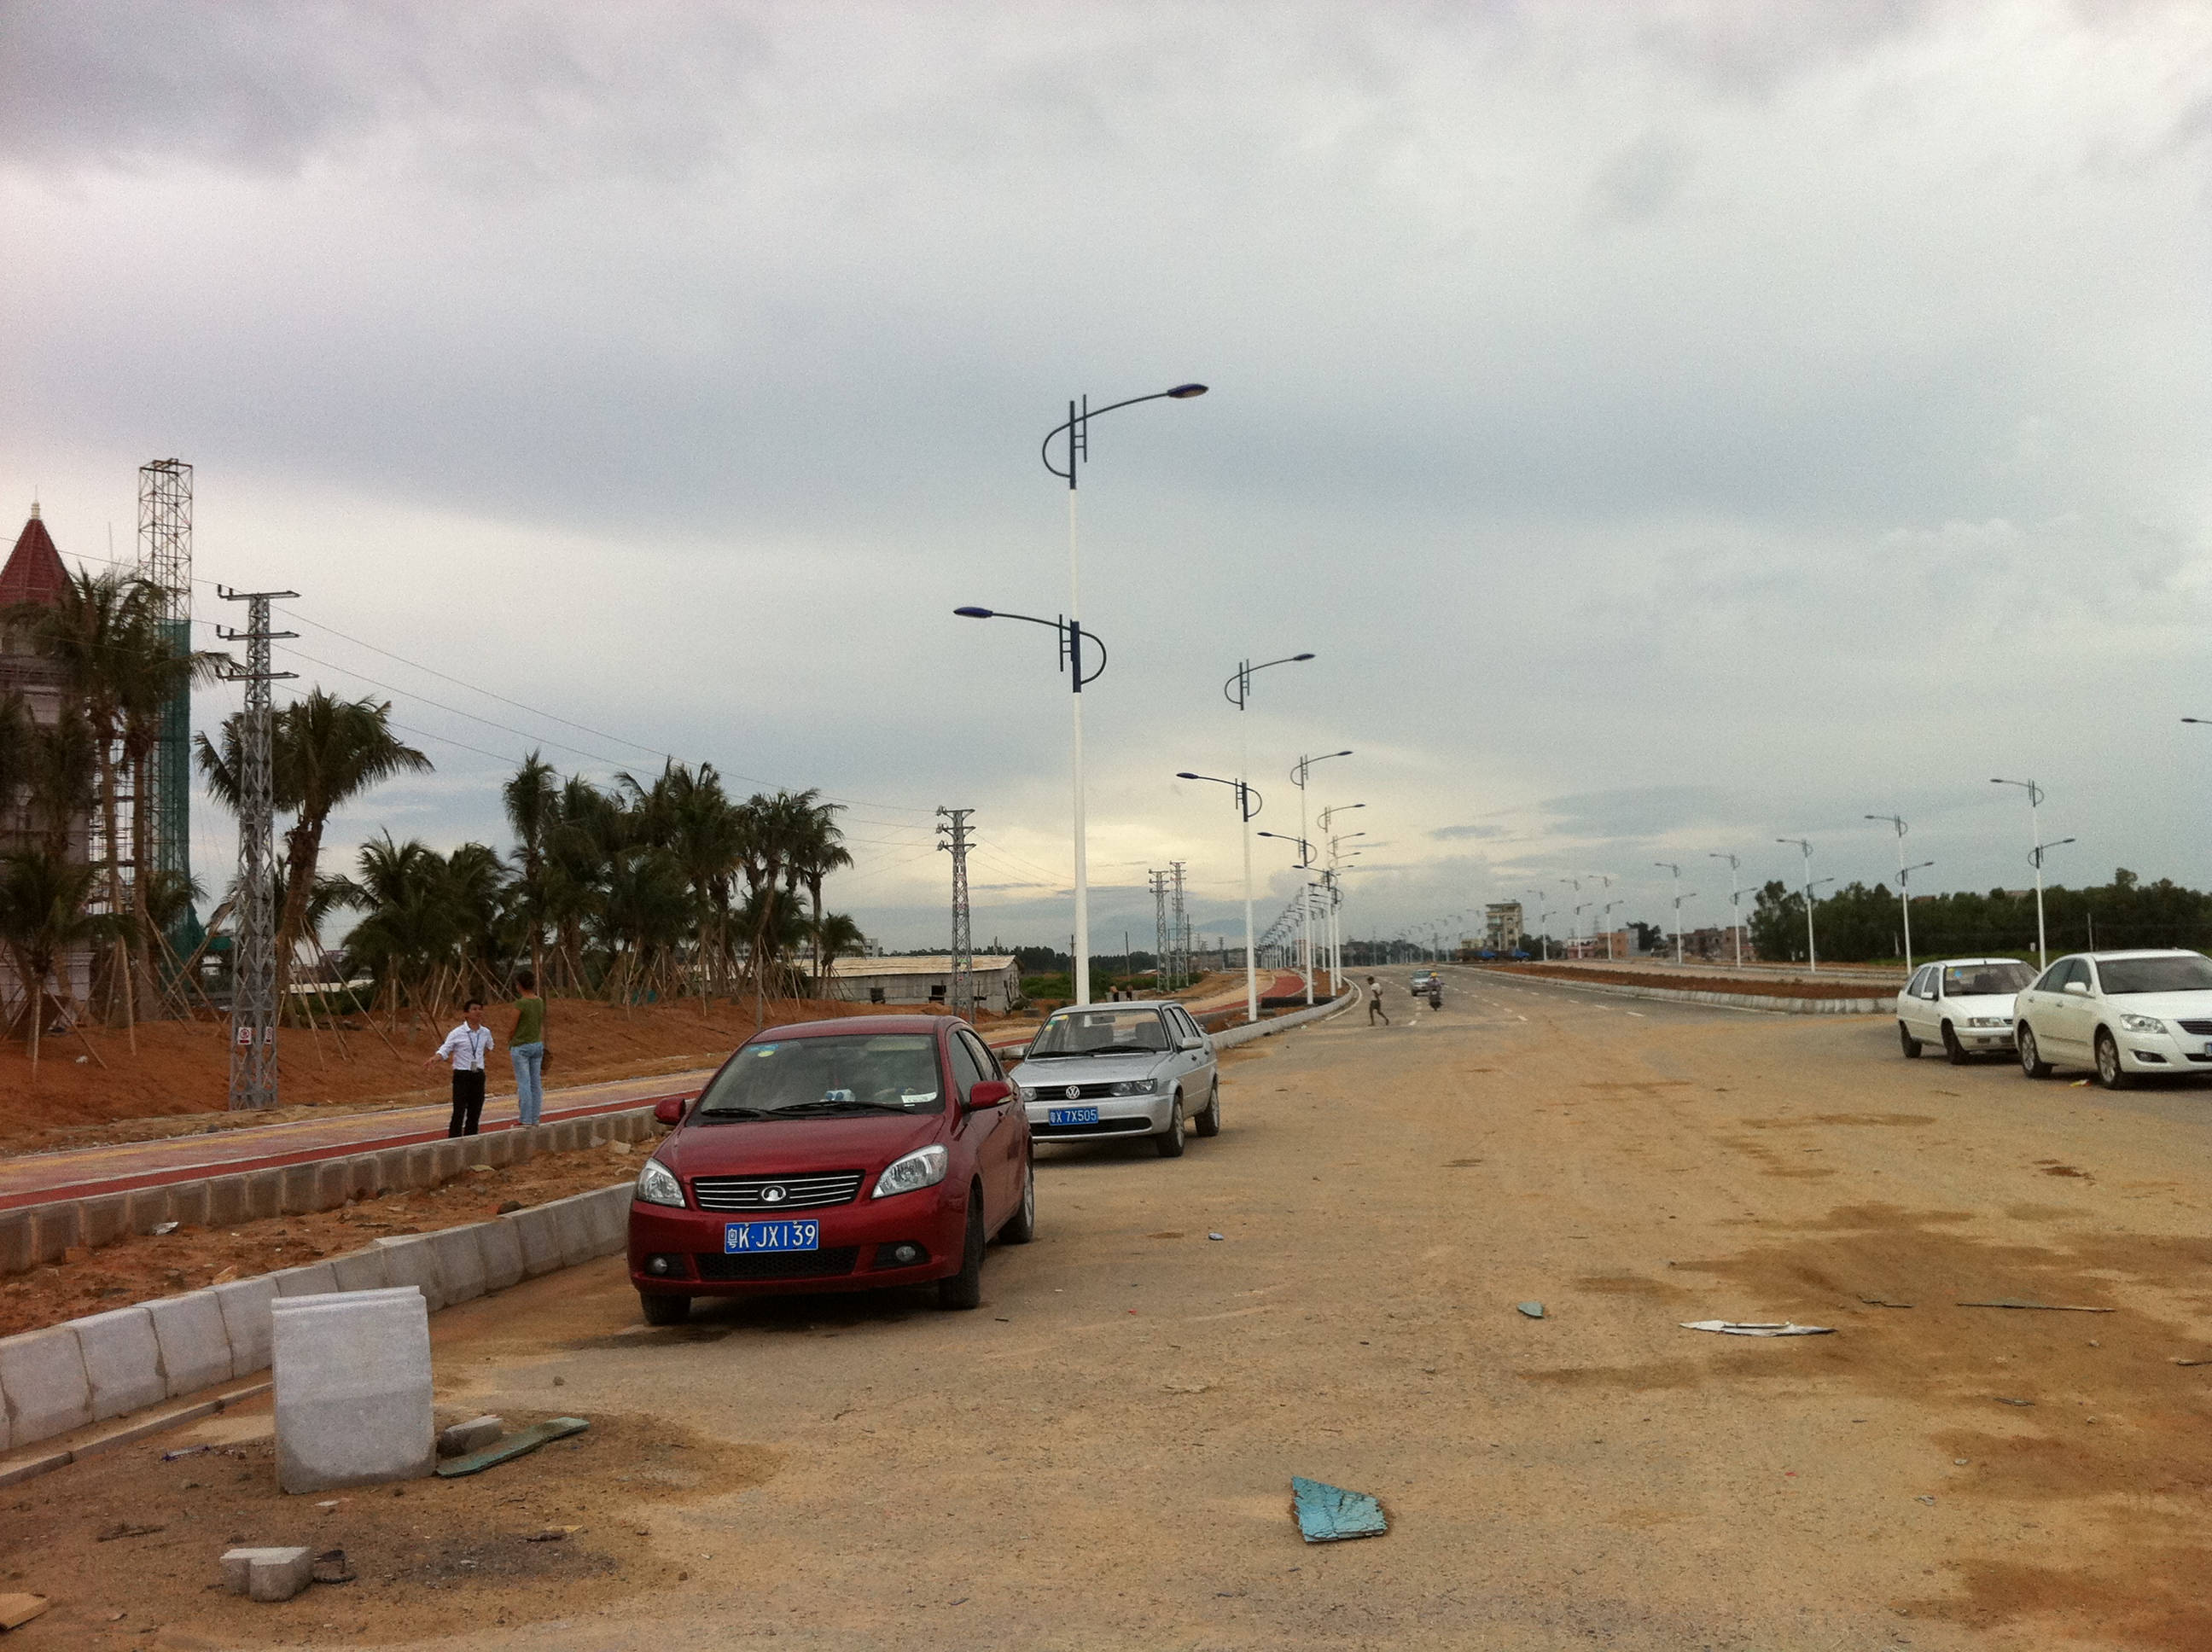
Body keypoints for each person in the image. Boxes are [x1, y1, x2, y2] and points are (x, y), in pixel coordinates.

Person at [426, 998, 495, 1137]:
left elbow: (489, 1047)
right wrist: (435, 1058)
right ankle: (454, 1138)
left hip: (478, 1074)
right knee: (459, 1109)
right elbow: (445, 1049)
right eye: (474, 1009)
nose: (478, 1012)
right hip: (462, 1075)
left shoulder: (485, 1032)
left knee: (475, 1109)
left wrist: (477, 1058)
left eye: (480, 1009)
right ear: (466, 1014)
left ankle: (472, 1138)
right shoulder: (457, 1033)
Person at [509, 970, 547, 1127]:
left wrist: (510, 1041)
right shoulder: (539, 1001)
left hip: (521, 1045)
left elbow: (513, 1026)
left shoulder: (521, 1004)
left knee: (524, 1083)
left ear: (519, 985)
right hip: (537, 1044)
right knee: (535, 1084)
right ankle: (535, 1118)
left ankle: (525, 1118)